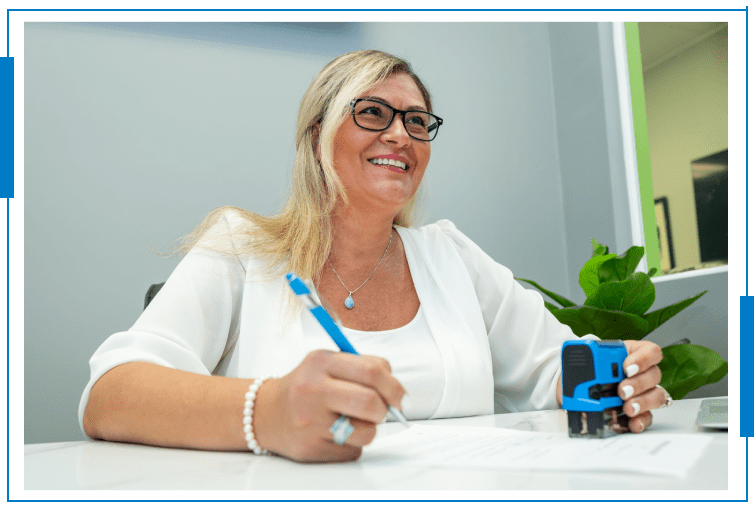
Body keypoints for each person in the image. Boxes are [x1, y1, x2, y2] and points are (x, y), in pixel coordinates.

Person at [80, 50, 667, 463]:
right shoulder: (242, 247)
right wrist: (270, 411)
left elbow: (554, 371)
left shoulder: (450, 254)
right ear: (318, 137)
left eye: (416, 121)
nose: (400, 135)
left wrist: (623, 386)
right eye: (372, 113)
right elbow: (110, 395)